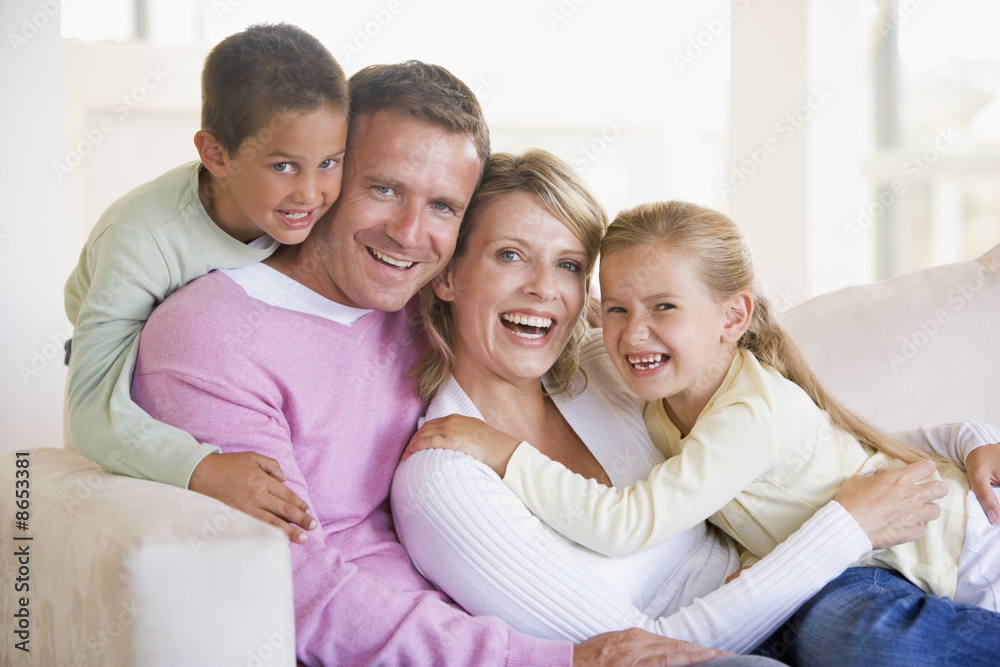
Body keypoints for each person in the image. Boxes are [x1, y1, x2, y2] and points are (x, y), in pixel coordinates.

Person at [128, 60, 752, 666]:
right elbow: (297, 587)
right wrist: (553, 659)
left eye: (443, 207)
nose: (409, 233)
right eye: (384, 188)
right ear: (328, 175)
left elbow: (537, 299)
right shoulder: (210, 338)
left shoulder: (418, 298)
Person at [395, 154, 1000, 662]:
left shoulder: (606, 372)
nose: (545, 289)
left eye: (571, 266)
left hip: (895, 556)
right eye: (509, 254)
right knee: (858, 640)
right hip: (807, 597)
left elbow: (823, 444)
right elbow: (641, 654)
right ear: (446, 274)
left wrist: (965, 439)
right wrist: (842, 530)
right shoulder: (445, 478)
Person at [64, 23, 349, 543]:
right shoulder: (140, 239)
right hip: (120, 354)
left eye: (329, 162)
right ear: (216, 156)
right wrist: (203, 468)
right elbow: (89, 412)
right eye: (284, 165)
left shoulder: (307, 210)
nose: (311, 193)